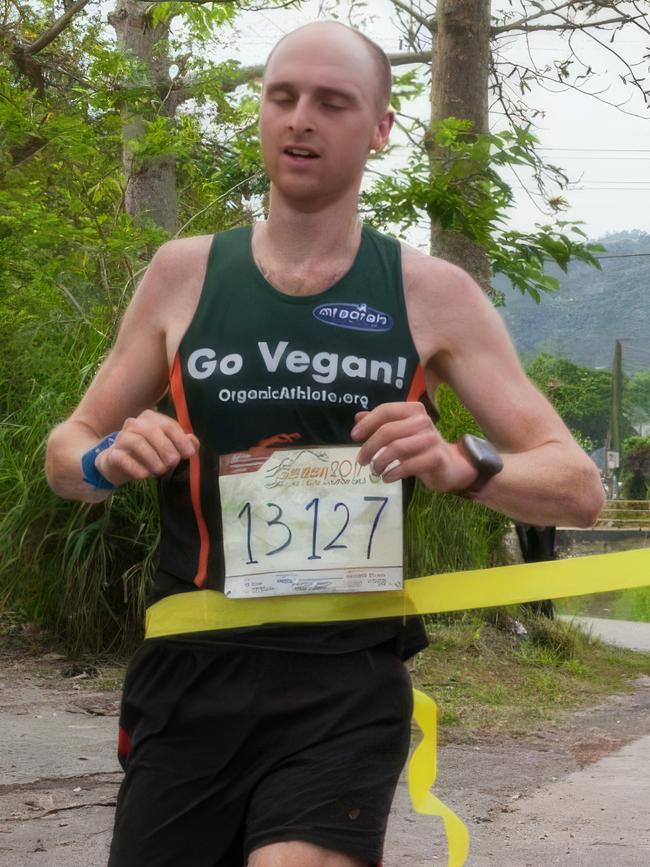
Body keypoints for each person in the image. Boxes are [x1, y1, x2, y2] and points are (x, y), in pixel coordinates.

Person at [45, 20, 604, 867]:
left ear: (380, 128)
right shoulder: (183, 273)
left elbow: (574, 484)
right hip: (190, 671)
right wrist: (102, 456)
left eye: (332, 102)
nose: (301, 118)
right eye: (283, 97)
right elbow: (67, 450)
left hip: (344, 681)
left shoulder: (432, 294)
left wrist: (460, 463)